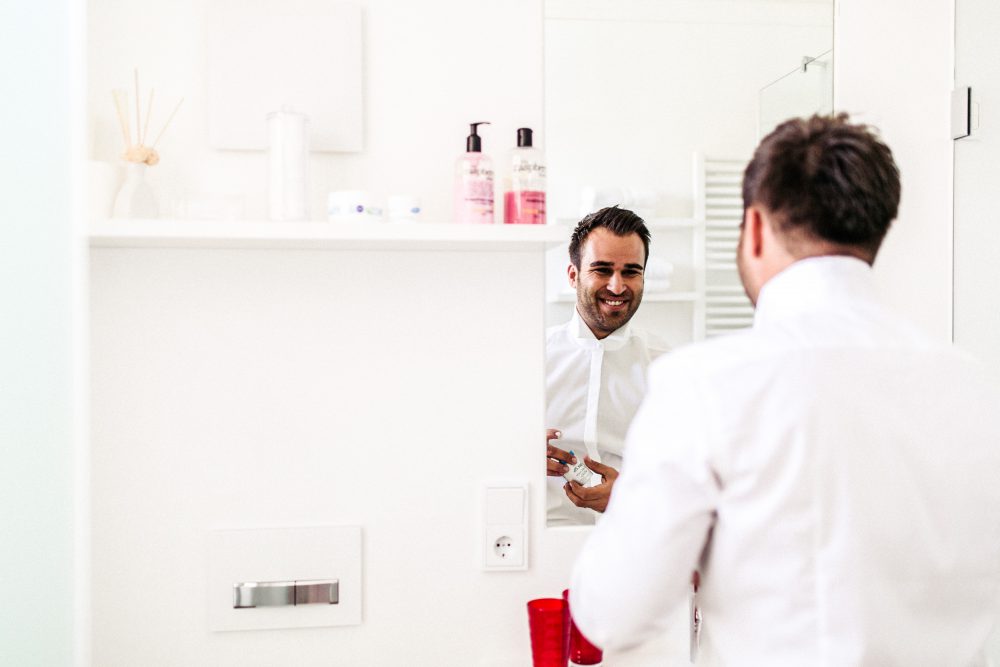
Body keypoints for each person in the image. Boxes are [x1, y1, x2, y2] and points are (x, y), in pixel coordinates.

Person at [570, 114, 1000, 664]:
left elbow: (613, 614)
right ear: (876, 229)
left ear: (753, 229)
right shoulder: (975, 387)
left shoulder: (704, 385)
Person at [546, 206, 668, 526]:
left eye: (630, 271)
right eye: (602, 270)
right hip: (541, 544)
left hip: (635, 540)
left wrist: (631, 496)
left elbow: (690, 472)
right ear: (573, 275)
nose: (617, 287)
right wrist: (518, 453)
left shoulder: (668, 368)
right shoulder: (532, 359)